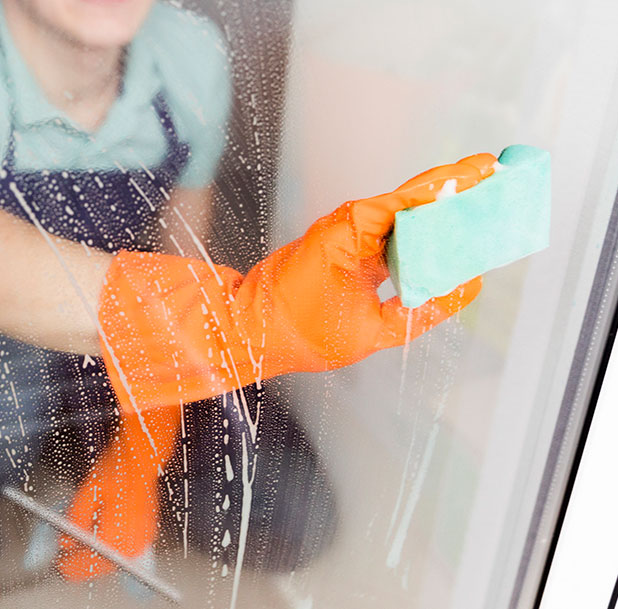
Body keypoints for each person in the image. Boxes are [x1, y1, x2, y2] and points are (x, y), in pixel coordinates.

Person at [0, 0, 490, 588]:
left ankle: (73, 456)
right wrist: (240, 322)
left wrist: (141, 452)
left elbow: (179, 247)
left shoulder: (188, 53)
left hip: (132, 342)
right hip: (16, 348)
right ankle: (52, 460)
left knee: (295, 518)